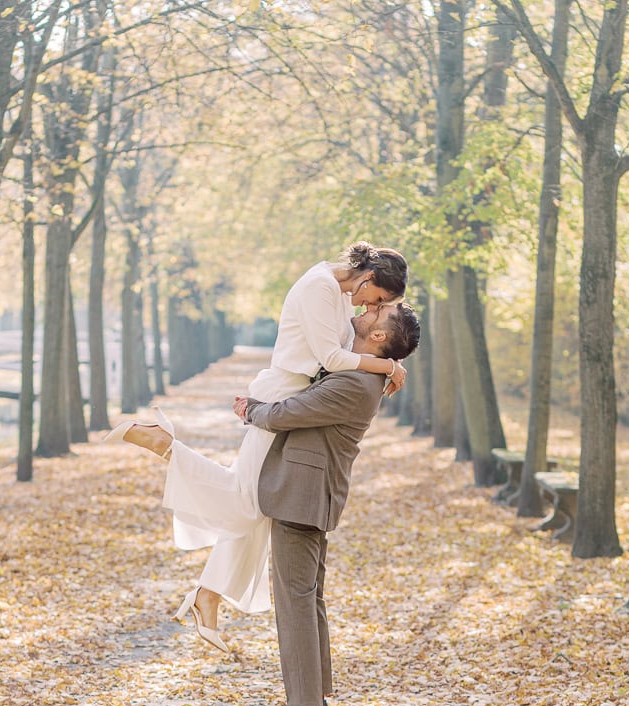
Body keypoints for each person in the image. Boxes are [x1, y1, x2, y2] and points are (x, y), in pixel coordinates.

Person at [106, 241, 409, 652]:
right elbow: (333, 359)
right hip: (284, 395)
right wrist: (388, 364)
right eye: (378, 299)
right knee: (246, 500)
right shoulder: (320, 286)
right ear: (370, 279)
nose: (368, 308)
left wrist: (386, 363)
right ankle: (164, 446)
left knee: (255, 507)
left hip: (296, 397)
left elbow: (333, 355)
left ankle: (207, 596)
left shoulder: (336, 290)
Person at [237, 302, 421, 706]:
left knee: (295, 603)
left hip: (301, 497)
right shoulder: (363, 370)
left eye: (378, 312)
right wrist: (392, 364)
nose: (368, 309)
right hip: (307, 495)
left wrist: (250, 410)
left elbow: (287, 413)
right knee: (307, 599)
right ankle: (311, 699)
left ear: (377, 337)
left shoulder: (356, 384)